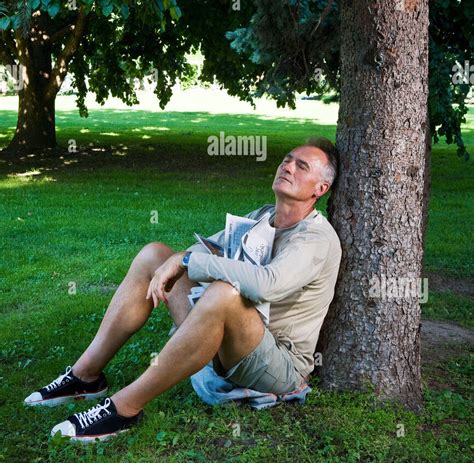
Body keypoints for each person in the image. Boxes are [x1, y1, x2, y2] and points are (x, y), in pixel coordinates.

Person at [24, 137, 342, 442]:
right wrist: (179, 259)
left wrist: (188, 261)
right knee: (155, 254)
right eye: (287, 160)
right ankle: (85, 376)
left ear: (320, 188)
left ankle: (124, 409)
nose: (288, 167)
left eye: (302, 166)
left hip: (277, 361)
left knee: (223, 293)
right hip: (233, 338)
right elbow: (212, 247)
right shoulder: (264, 215)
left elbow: (267, 285)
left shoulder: (315, 239)